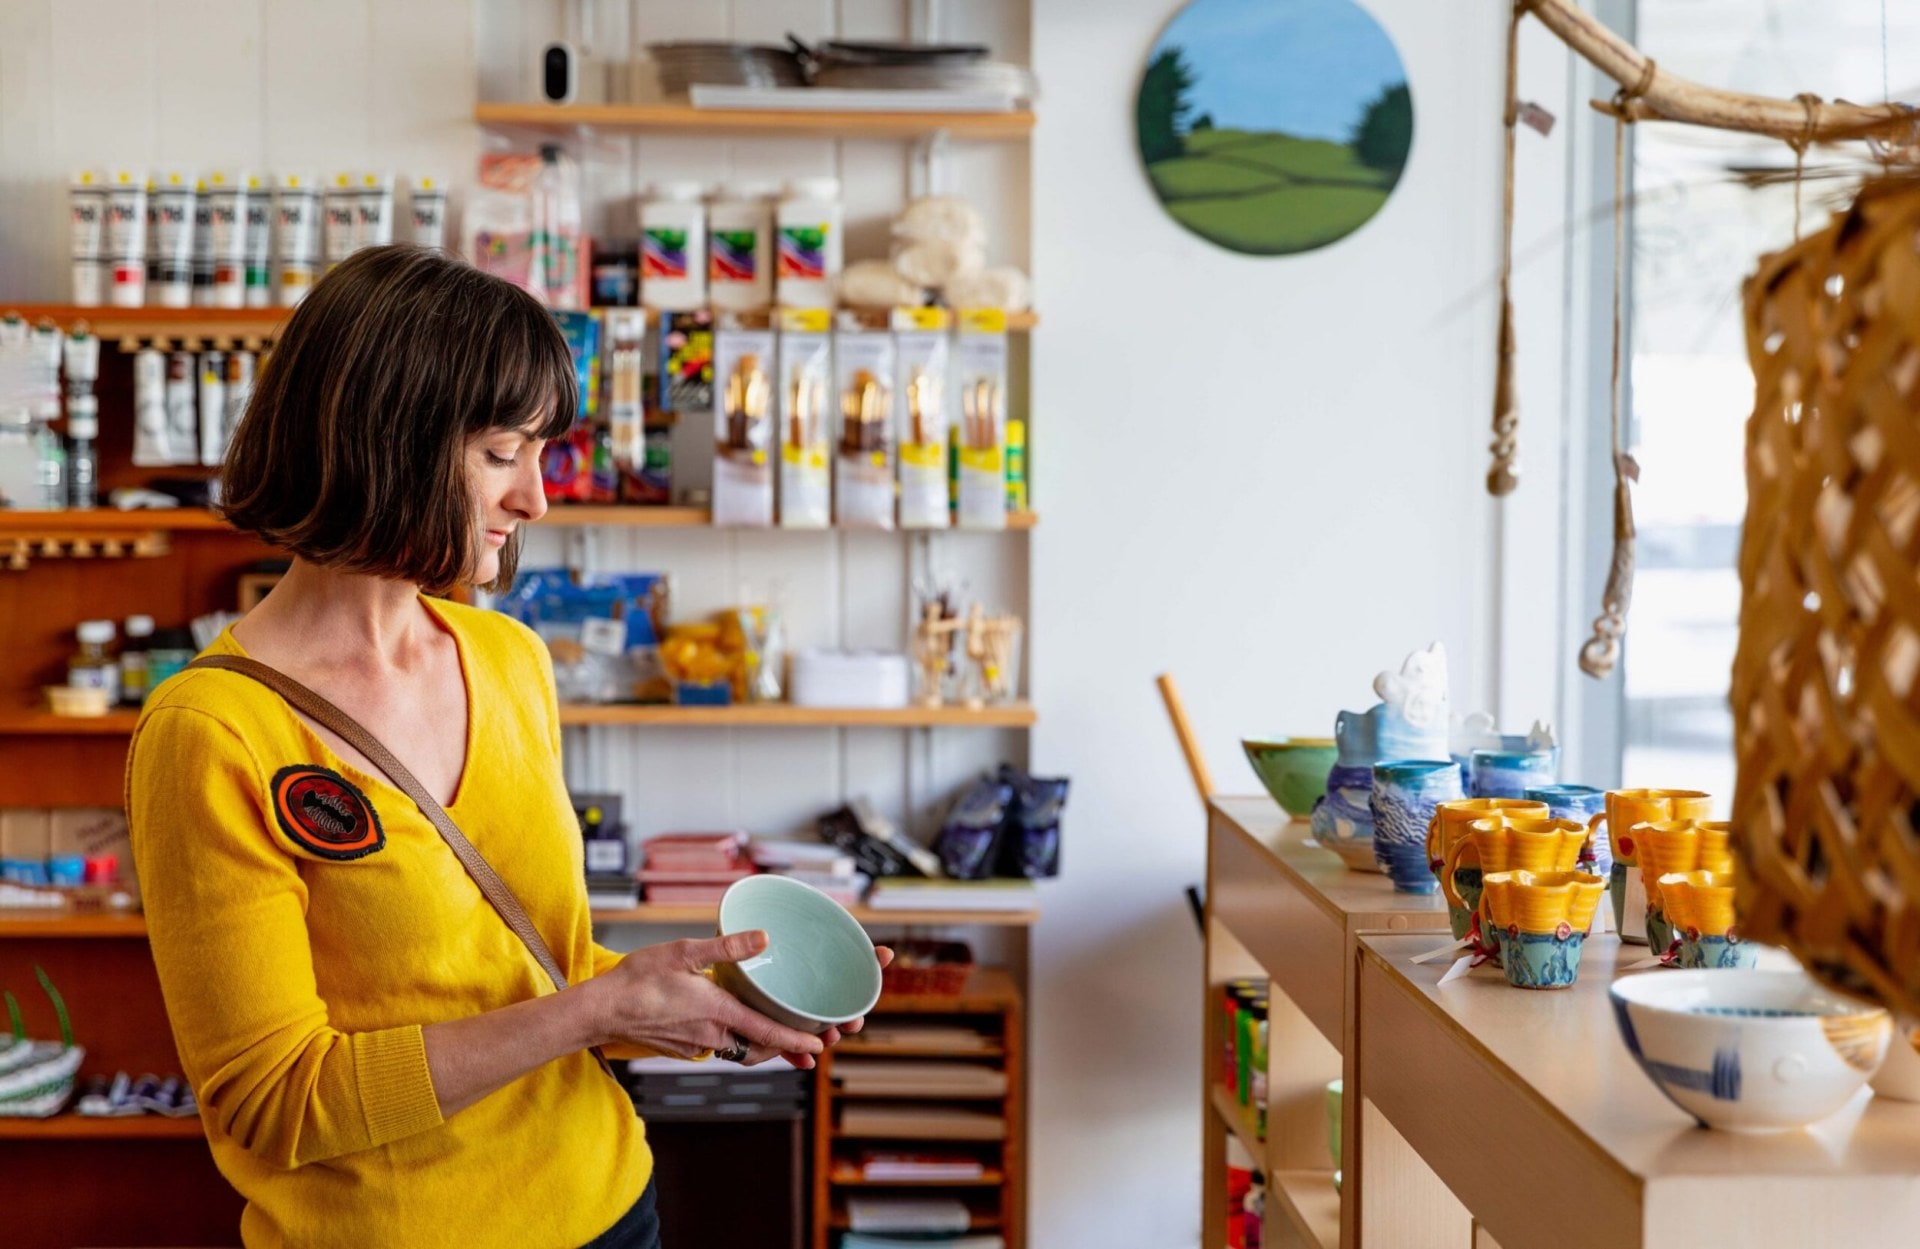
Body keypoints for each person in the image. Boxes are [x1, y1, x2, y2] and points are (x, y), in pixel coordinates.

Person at [126, 244, 887, 1249]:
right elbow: (275, 1101)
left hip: (611, 1203)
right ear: (381, 441)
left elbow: (548, 975)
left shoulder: (509, 658)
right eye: (501, 453)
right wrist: (585, 1012)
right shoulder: (214, 731)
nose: (535, 497)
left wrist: (709, 1003)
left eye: (540, 452)